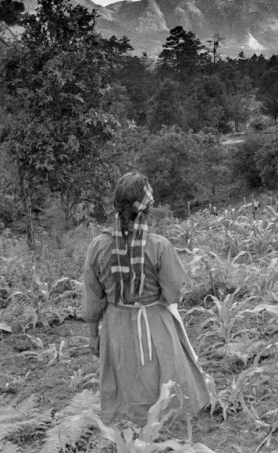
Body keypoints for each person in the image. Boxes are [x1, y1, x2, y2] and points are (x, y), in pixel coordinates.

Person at [82, 171, 210, 424]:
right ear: (148, 208)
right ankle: (169, 416)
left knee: (125, 372)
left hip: (115, 322)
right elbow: (174, 292)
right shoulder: (159, 246)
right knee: (161, 368)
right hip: (154, 318)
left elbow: (93, 296)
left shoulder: (98, 246)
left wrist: (94, 334)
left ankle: (129, 418)